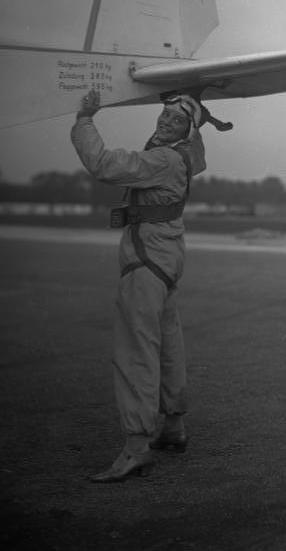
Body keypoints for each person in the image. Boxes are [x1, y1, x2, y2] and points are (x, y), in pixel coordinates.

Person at [71, 88, 207, 482]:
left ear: (187, 130)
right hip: (167, 257)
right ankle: (174, 427)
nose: (165, 122)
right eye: (164, 114)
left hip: (146, 261)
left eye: (176, 120)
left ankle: (135, 448)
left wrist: (85, 120)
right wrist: (192, 99)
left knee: (136, 349)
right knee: (167, 341)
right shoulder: (186, 154)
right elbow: (192, 143)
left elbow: (103, 163)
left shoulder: (162, 160)